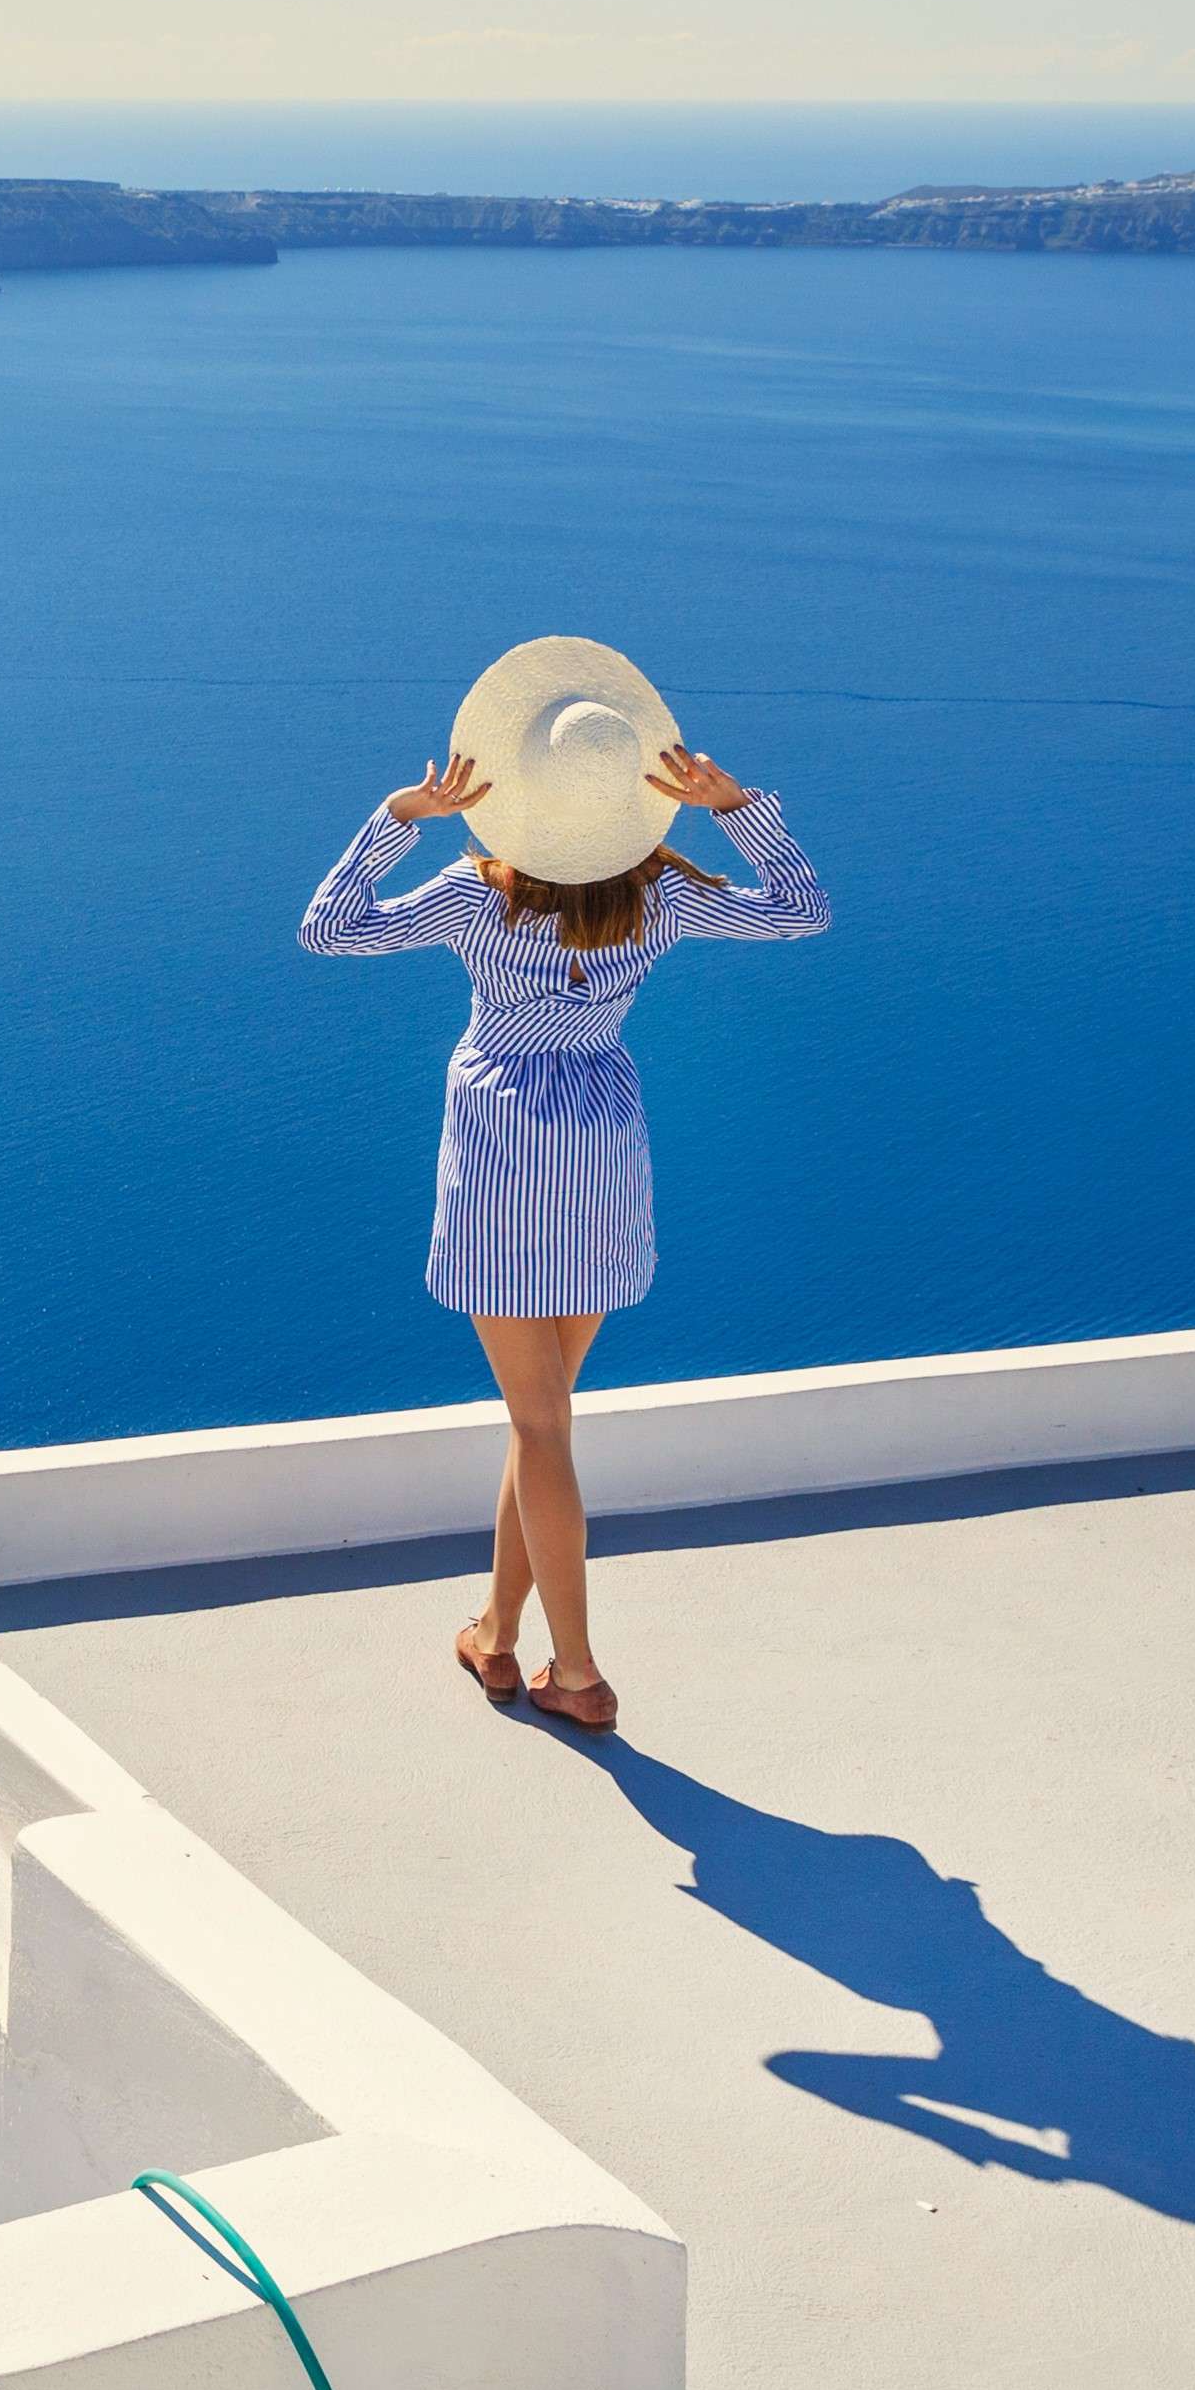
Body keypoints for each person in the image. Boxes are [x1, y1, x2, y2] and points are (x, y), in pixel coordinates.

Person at [298, 637, 828, 1731]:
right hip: (597, 1143)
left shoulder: (472, 898)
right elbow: (799, 910)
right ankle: (496, 1641)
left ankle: (575, 1671)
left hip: (499, 1142)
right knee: (539, 1420)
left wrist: (395, 821)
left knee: (539, 1426)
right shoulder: (661, 899)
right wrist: (736, 809)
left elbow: (326, 931)